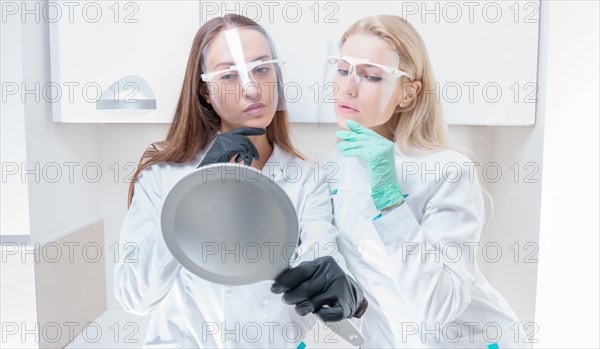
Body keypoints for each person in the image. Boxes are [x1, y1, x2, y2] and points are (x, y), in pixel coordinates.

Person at [114, 14, 366, 348]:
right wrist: (194, 193)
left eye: (262, 68)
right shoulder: (164, 177)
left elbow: (320, 255)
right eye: (230, 75)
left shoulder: (304, 179)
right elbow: (135, 297)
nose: (252, 89)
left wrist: (344, 293)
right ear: (205, 90)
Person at [325, 15, 530, 348]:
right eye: (342, 69)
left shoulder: (448, 172)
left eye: (372, 76)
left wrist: (389, 199)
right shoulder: (332, 172)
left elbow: (438, 306)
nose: (348, 87)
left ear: (408, 93)